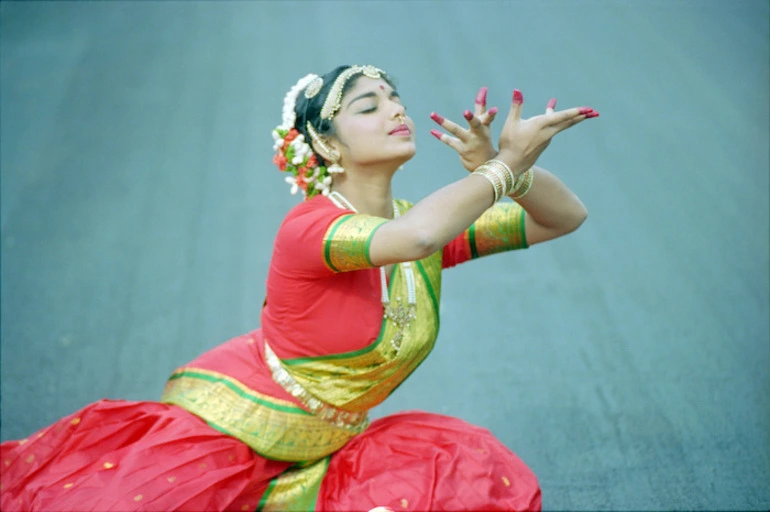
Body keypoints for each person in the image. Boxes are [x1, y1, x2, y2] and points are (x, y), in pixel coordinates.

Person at [0, 64, 597, 511]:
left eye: (395, 98)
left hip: (331, 448)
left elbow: (562, 217)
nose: (395, 109)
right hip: (226, 445)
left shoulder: (422, 226)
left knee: (467, 470)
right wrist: (498, 171)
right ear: (329, 146)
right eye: (369, 105)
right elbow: (414, 238)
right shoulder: (311, 229)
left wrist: (514, 171)